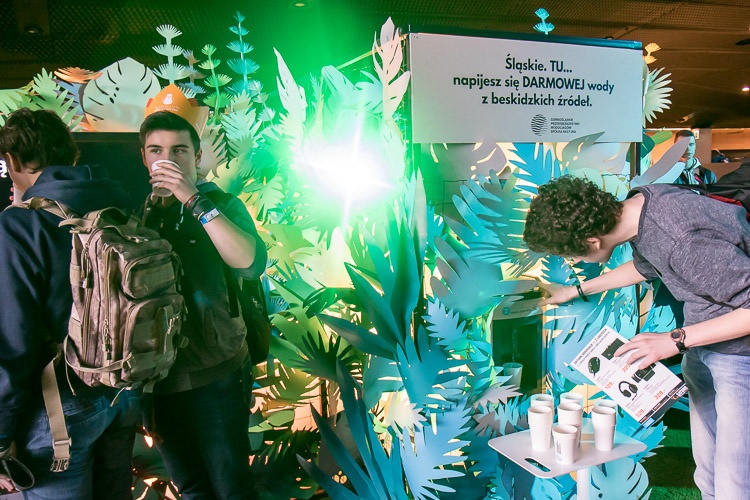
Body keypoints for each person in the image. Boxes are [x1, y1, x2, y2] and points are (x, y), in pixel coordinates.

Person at [523, 175, 750, 499]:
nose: (572, 261)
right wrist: (576, 290)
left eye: (571, 255)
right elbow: (649, 265)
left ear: (592, 241)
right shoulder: (641, 207)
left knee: (736, 481)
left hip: (738, 355)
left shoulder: (679, 237)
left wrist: (673, 340)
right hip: (702, 343)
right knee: (708, 472)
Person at [0, 108, 139, 499]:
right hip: (124, 391)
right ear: (71, 154)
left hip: (60, 408)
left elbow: (14, 342)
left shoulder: (19, 227)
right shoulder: (117, 206)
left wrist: (1, 436)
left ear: (12, 160)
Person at [139, 110, 266, 499]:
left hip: (218, 373)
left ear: (196, 156)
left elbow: (250, 263)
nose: (168, 160)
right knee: (191, 486)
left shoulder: (220, 203)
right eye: (156, 150)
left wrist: (191, 198)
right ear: (143, 157)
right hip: (159, 379)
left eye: (179, 150)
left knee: (232, 487)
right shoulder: (137, 213)